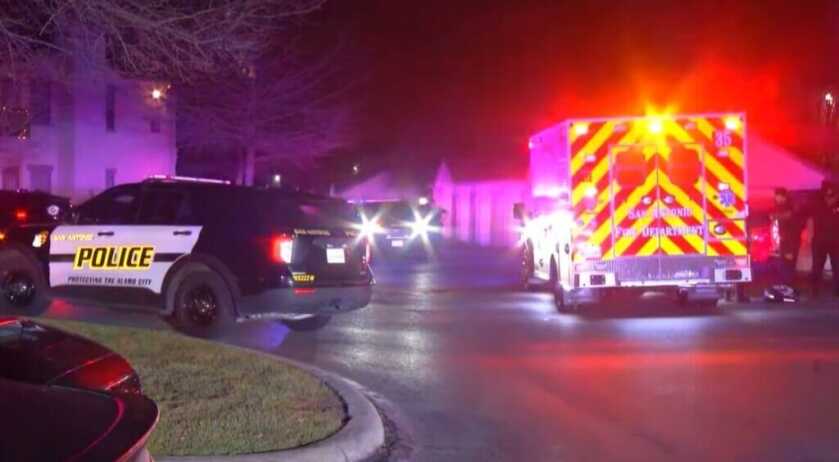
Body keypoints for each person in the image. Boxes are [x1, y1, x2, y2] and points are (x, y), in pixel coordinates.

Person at [769, 188, 801, 294]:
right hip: (780, 244)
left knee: (788, 269)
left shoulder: (791, 209)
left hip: (788, 244)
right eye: (776, 196)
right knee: (781, 268)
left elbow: (793, 231)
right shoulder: (777, 208)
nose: (776, 198)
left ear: (784, 196)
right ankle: (785, 290)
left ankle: (790, 291)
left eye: (778, 196)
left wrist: (790, 250)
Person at [810, 182, 839, 297]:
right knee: (817, 266)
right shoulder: (818, 204)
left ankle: (837, 291)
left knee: (837, 266)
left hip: (836, 241)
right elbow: (811, 220)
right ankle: (815, 290)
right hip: (820, 241)